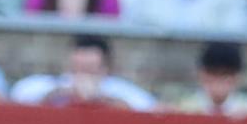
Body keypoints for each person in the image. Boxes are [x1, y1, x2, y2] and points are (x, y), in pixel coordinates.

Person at [10, 35, 156, 109]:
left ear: (105, 68)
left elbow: (148, 108)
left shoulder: (117, 88)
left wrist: (104, 99)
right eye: (79, 68)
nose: (84, 75)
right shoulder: (52, 83)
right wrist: (62, 92)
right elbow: (19, 95)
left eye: (90, 69)